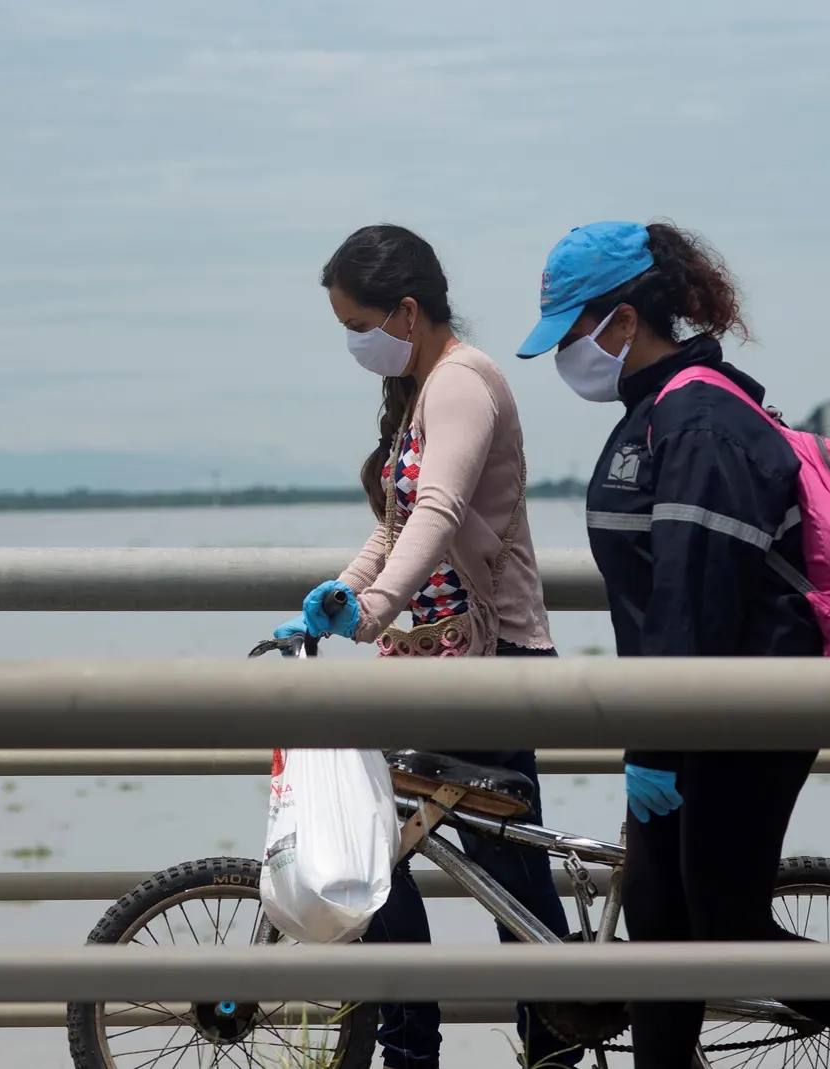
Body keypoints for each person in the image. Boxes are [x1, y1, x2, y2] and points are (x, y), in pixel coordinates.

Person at [516, 220, 830, 1069]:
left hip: (739, 712)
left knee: (727, 921)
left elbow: (696, 596)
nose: (568, 355)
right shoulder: (663, 408)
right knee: (664, 924)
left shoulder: (698, 420)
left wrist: (657, 745)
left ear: (624, 321)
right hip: (690, 713)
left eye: (574, 331)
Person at [276, 223, 579, 1069]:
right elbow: (396, 528)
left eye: (357, 323)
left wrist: (368, 610)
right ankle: (425, 1041)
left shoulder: (463, 384)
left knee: (502, 879)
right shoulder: (422, 387)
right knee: (390, 848)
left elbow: (440, 510)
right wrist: (334, 597)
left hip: (486, 661)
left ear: (405, 312)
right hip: (436, 662)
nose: (352, 342)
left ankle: (465, 1047)